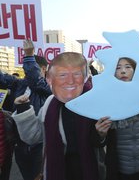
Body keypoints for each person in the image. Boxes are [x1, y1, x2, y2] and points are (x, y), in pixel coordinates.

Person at [12, 52, 106, 180]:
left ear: (84, 77)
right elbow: (34, 136)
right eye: (62, 75)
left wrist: (101, 134)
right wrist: (23, 109)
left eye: (76, 74)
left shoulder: (94, 102)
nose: (70, 80)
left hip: (88, 168)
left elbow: (102, 141)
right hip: (57, 169)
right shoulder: (50, 103)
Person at [96, 57, 139, 180]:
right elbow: (96, 140)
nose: (123, 71)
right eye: (118, 68)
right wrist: (100, 134)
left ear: (136, 71)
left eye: (128, 67)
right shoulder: (106, 101)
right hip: (119, 171)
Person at [0, 39, 51, 180]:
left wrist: (28, 56)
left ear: (43, 69)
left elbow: (35, 79)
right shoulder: (19, 84)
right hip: (20, 145)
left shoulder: (48, 88)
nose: (27, 73)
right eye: (25, 69)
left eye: (32, 68)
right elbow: (3, 78)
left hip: (39, 145)